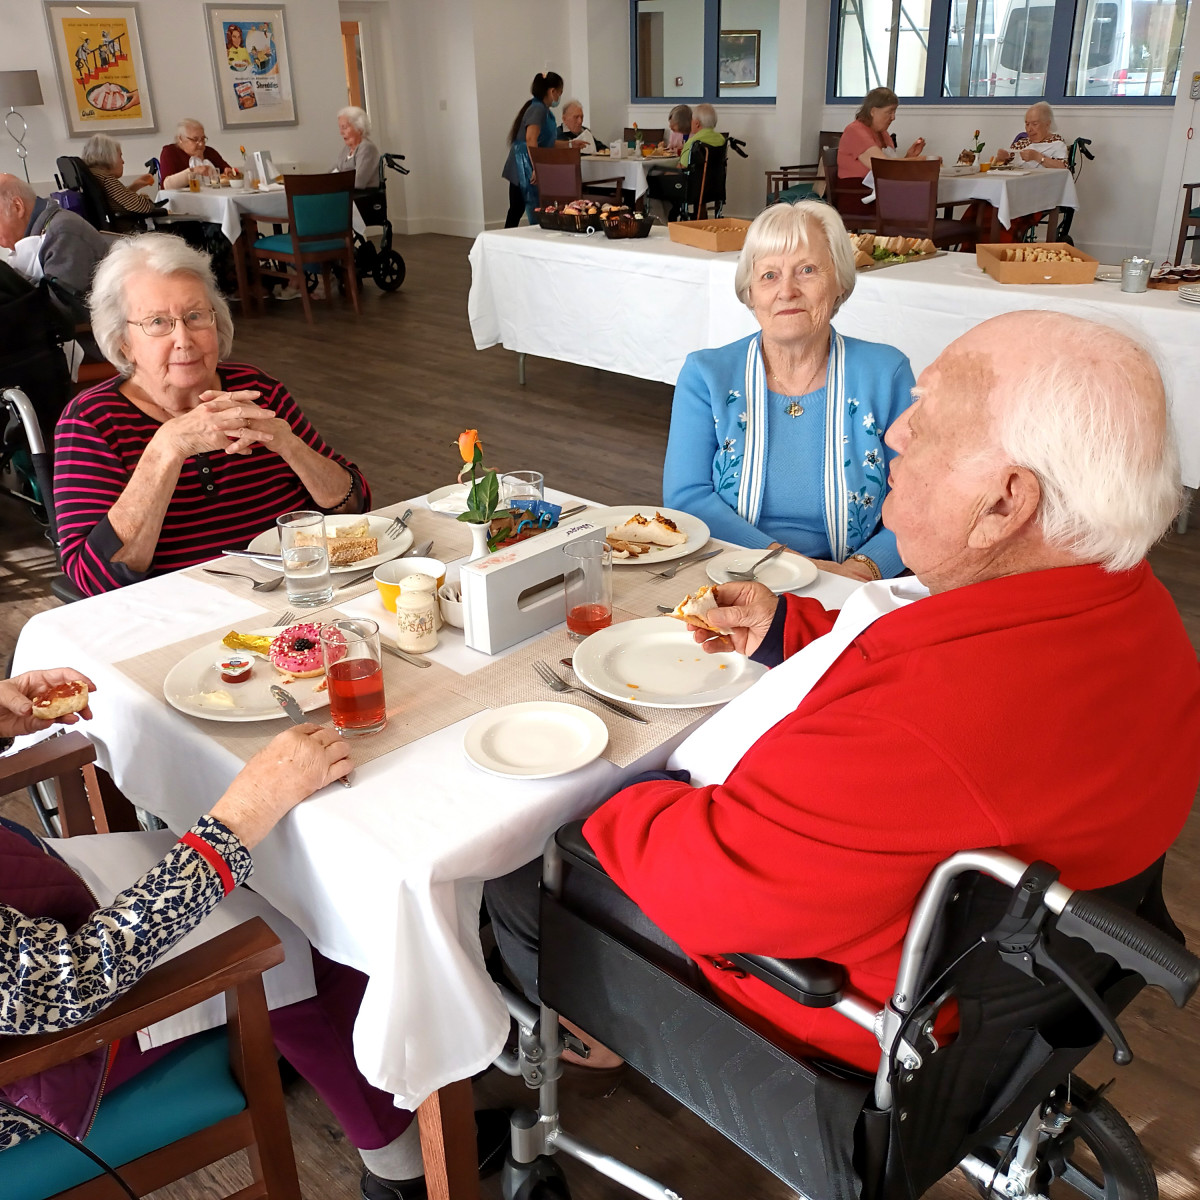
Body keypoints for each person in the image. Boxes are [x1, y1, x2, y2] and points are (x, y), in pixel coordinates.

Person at [486, 309, 1200, 1076]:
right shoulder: (1128, 604)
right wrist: (789, 631)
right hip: (1013, 971)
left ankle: (587, 1038)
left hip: (846, 1018)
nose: (895, 435)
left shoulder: (932, 725)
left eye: (927, 417)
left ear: (1004, 503)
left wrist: (612, 796)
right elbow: (914, 648)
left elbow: (712, 884)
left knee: (520, 877)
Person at [0, 671, 509, 1197]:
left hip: (42, 893)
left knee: (269, 871)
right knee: (309, 930)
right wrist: (247, 808)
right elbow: (66, 984)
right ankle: (406, 1169)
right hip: (51, 1046)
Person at [52, 233, 370, 596]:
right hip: (180, 618)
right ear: (124, 340)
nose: (184, 339)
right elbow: (92, 579)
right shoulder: (92, 422)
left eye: (195, 316)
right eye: (157, 322)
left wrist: (289, 445)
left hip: (298, 595)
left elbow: (354, 504)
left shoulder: (257, 388)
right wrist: (166, 450)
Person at [663, 200, 914, 580]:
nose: (787, 291)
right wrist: (789, 565)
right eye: (768, 276)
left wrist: (865, 569)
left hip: (856, 580)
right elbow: (687, 497)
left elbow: (919, 495)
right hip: (731, 571)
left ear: (840, 282)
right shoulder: (707, 375)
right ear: (749, 293)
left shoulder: (886, 372)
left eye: (807, 270)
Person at [0, 174, 109, 326]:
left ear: (18, 207)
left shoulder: (62, 232)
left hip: (86, 338)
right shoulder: (44, 230)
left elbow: (61, 312)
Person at [502, 71, 564, 228]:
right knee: (520, 207)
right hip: (524, 164)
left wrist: (571, 144)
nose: (559, 97)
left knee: (517, 208)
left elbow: (547, 142)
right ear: (552, 91)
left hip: (526, 160)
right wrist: (536, 167)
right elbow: (531, 139)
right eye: (560, 92)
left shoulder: (542, 109)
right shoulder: (538, 109)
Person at [836, 86, 927, 183]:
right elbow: (882, 166)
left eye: (894, 112)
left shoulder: (883, 133)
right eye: (889, 112)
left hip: (880, 187)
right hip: (857, 191)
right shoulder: (855, 131)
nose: (893, 117)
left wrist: (910, 156)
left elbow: (891, 168)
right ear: (873, 111)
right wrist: (917, 161)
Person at [80, 132, 160, 220]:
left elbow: (117, 198)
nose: (123, 161)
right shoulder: (107, 180)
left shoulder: (93, 175)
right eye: (120, 156)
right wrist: (145, 198)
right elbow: (144, 207)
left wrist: (134, 186)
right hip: (125, 230)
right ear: (110, 158)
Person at [159, 120, 233, 190]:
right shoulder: (170, 152)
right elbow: (166, 186)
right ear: (181, 139)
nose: (201, 143)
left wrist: (229, 173)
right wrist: (194, 171)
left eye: (203, 139)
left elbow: (228, 171)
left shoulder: (210, 152)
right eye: (195, 139)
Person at [333, 105, 382, 190]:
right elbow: (333, 172)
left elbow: (358, 182)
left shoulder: (366, 148)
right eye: (340, 128)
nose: (341, 132)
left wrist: (333, 183)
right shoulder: (346, 149)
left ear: (359, 128)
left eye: (344, 128)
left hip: (362, 199)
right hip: (346, 196)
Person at [678, 102, 724, 168]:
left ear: (697, 123)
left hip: (693, 178)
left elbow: (682, 167)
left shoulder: (692, 142)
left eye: (692, 120)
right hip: (715, 177)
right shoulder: (721, 139)